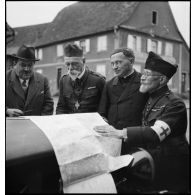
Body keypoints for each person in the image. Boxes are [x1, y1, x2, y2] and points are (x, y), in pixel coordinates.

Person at [94, 51, 189, 192]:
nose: (142, 78)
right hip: (153, 162)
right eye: (143, 74)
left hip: (171, 167)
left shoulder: (175, 104)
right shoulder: (151, 98)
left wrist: (120, 132)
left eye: (147, 75)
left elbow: (156, 133)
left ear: (162, 80)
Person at [98, 48, 148, 154]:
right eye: (112, 64)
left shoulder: (144, 82)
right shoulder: (109, 85)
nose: (114, 67)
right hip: (113, 140)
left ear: (131, 61)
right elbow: (102, 113)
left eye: (118, 62)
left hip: (135, 139)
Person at [56, 43, 105, 114]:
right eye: (68, 64)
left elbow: (105, 108)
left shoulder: (98, 80)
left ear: (83, 61)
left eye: (75, 64)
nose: (70, 68)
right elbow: (61, 107)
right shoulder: (63, 80)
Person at [6, 44, 54, 116]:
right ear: (15, 63)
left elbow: (48, 104)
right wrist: (6, 111)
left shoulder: (43, 80)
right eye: (23, 65)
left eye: (30, 65)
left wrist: (42, 121)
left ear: (34, 65)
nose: (26, 69)